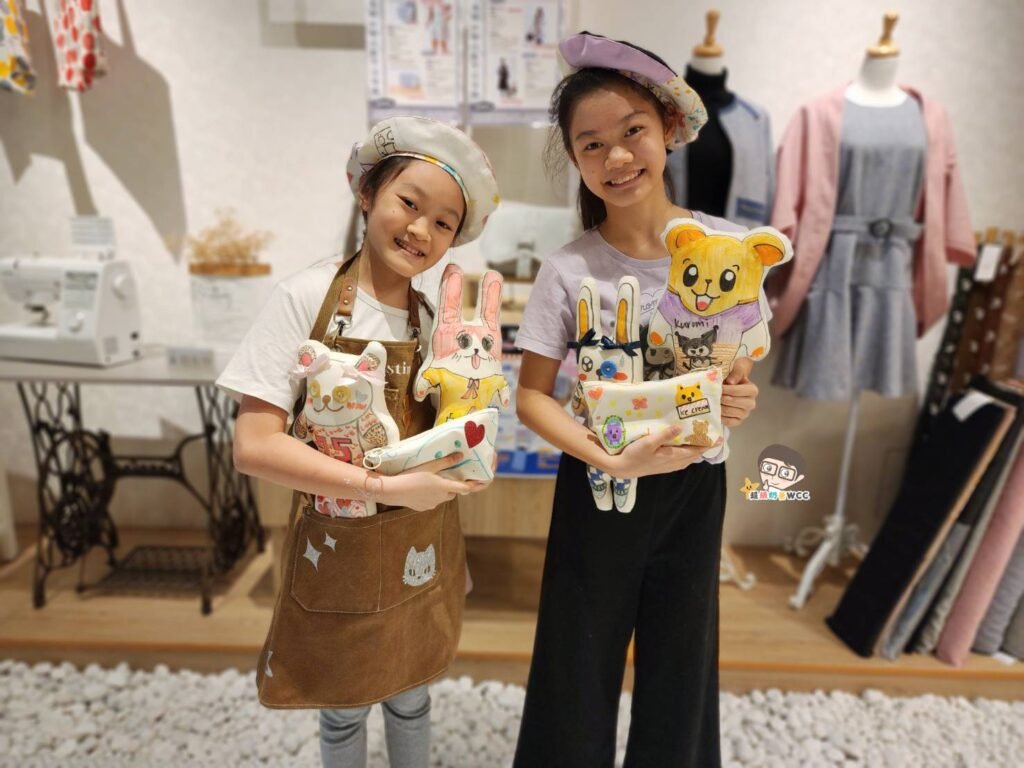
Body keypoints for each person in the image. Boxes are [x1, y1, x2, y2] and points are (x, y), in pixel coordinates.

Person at [217, 116, 500, 768]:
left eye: (444, 222)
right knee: (342, 705)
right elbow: (253, 445)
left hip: (422, 540)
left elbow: (451, 430)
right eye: (410, 203)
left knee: (413, 693)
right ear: (368, 193)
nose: (421, 230)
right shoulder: (304, 298)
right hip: (339, 546)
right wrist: (380, 484)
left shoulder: (433, 321)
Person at [511, 32, 760, 767]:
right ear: (575, 159)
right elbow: (532, 398)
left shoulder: (731, 247)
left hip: (694, 486)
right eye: (591, 145)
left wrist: (738, 397)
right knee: (574, 660)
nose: (616, 158)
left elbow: (737, 368)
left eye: (632, 132)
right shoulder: (568, 270)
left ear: (669, 129)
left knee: (684, 663)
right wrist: (609, 459)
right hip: (598, 486)